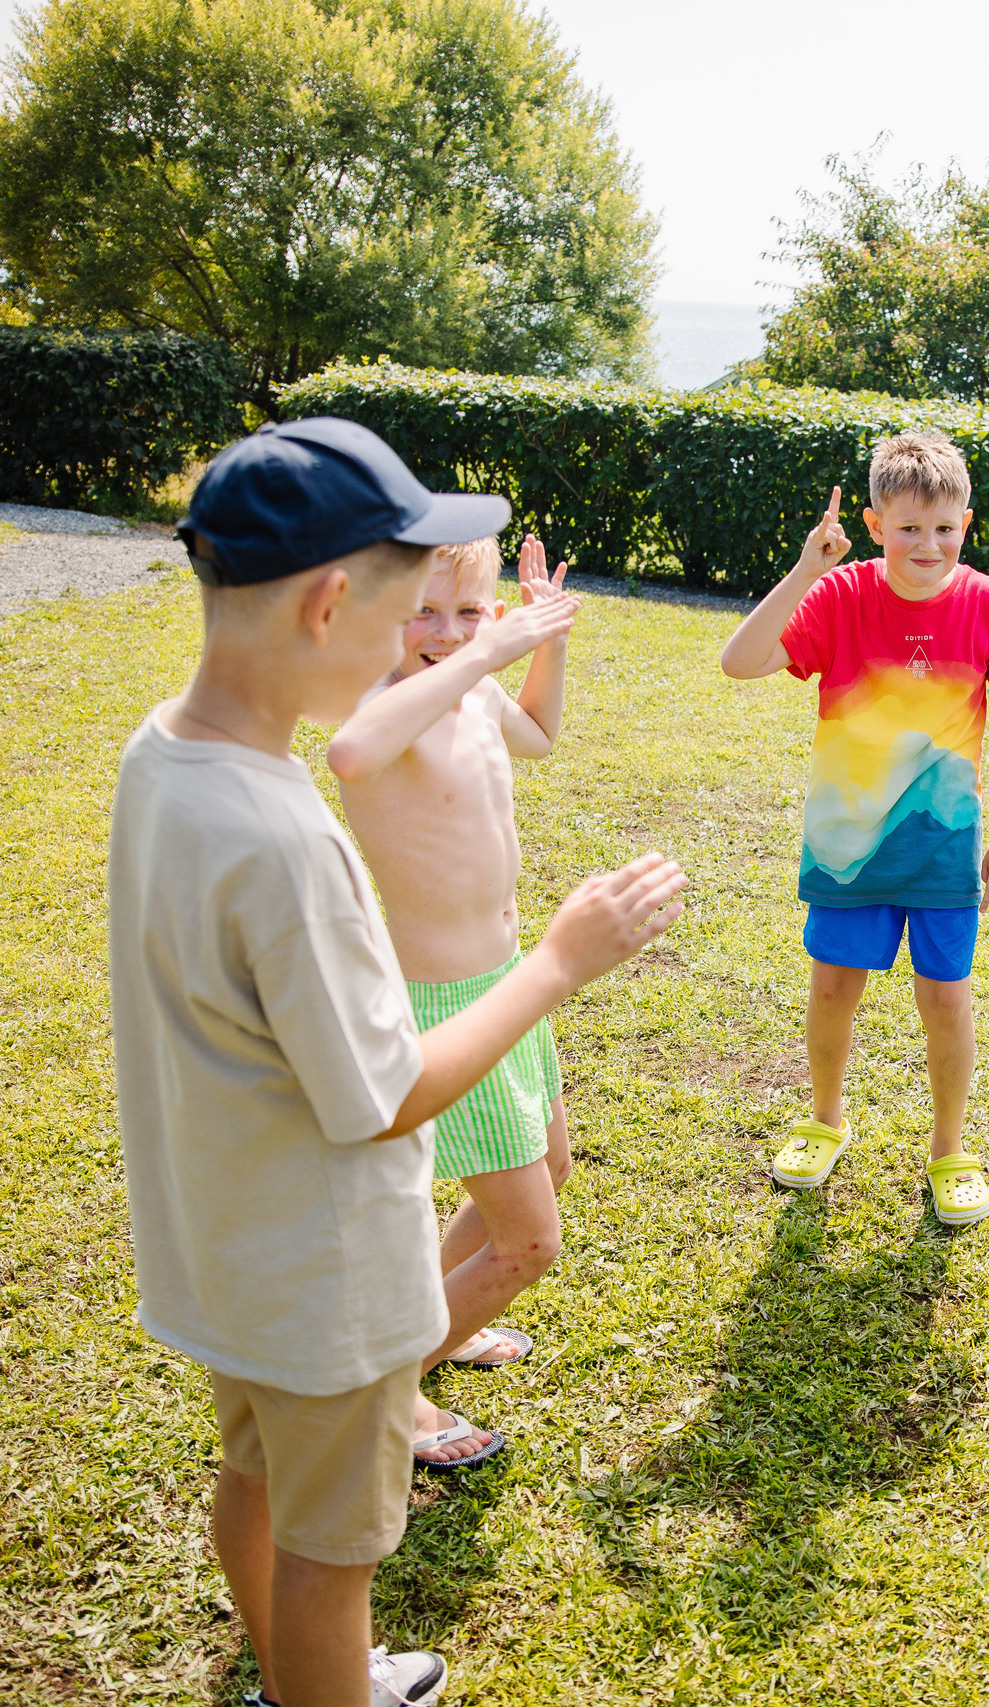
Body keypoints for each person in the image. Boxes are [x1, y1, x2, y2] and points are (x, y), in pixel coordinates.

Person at [109, 418, 685, 1707]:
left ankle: (286, 1679)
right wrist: (560, 960)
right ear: (327, 605)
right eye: (403, 614)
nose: (422, 644)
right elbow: (379, 1101)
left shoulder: (165, 757)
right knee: (336, 1554)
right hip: (326, 1278)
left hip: (229, 1247)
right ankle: (327, 1684)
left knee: (255, 1481)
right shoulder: (284, 836)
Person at [718, 431, 989, 1225]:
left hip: (943, 854)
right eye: (908, 527)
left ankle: (949, 1147)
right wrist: (807, 570)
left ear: (965, 524)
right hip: (849, 852)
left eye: (943, 527)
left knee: (946, 999)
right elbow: (740, 660)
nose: (926, 544)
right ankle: (825, 1118)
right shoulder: (840, 597)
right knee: (833, 987)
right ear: (873, 525)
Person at [328, 533, 581, 1471]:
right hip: (442, 1002)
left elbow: (542, 734)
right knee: (528, 1241)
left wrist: (543, 638)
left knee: (548, 1167)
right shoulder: (382, 701)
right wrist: (481, 650)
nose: (444, 632)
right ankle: (387, 1393)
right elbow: (350, 755)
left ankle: (430, 1320)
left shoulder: (471, 688)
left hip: (510, 979)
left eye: (468, 612)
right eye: (421, 611)